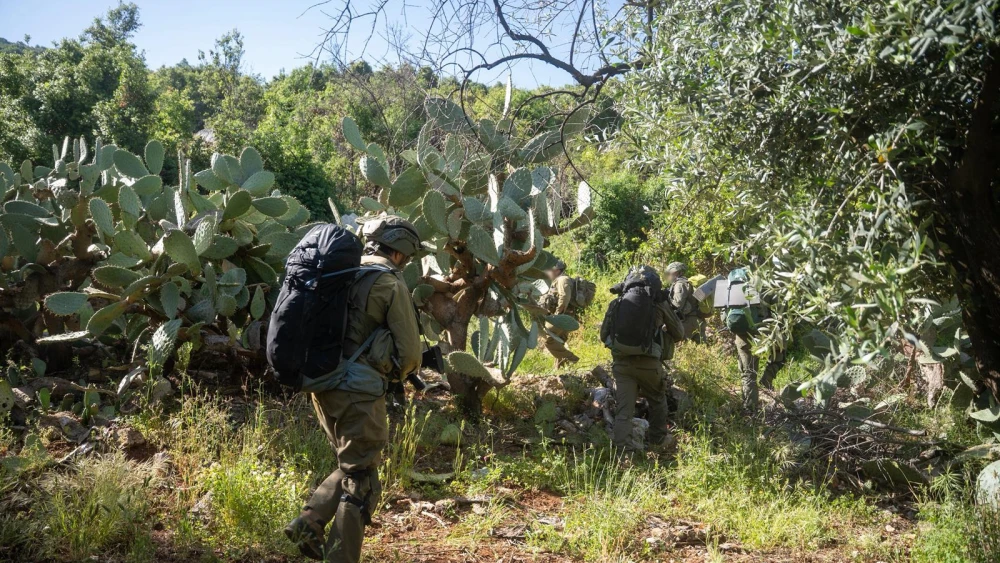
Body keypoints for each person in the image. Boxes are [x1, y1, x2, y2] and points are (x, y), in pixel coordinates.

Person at [285, 216, 422, 562]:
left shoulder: (340, 271)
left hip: (321, 383)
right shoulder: (389, 282)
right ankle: (338, 557)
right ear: (401, 250)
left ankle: (309, 520)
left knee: (353, 465)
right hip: (357, 392)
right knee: (361, 480)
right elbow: (409, 354)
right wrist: (398, 373)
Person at [600, 265, 685, 452]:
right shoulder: (658, 303)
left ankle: (624, 454)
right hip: (649, 364)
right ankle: (658, 441)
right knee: (657, 401)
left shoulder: (618, 302)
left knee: (624, 411)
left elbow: (603, 334)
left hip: (622, 364)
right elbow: (679, 333)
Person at [723, 267, 787, 411]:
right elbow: (779, 308)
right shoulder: (765, 282)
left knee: (748, 371)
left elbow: (723, 308)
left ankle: (749, 407)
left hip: (741, 330)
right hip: (762, 329)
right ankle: (760, 390)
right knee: (780, 355)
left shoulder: (733, 282)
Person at [538, 259, 581, 369]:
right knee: (559, 341)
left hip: (563, 316)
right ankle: (560, 368)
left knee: (547, 338)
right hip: (564, 316)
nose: (547, 272)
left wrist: (558, 316)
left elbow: (564, 297)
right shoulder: (559, 280)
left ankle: (571, 358)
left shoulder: (562, 279)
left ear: (556, 270)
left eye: (549, 270)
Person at [664, 262, 702, 341]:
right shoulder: (687, 282)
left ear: (676, 272)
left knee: (677, 344)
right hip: (697, 320)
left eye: (669, 273)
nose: (669, 276)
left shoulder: (679, 284)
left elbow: (678, 304)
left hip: (688, 321)